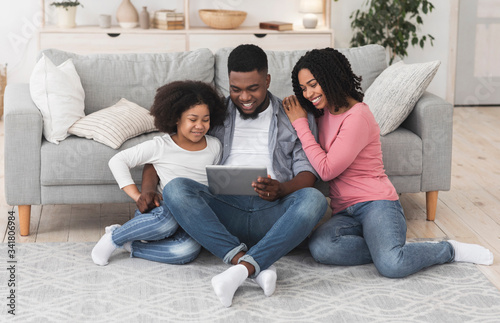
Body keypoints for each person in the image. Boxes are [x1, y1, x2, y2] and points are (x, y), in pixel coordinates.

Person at [141, 44, 328, 307]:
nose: (245, 97)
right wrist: (148, 189)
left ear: (267, 80)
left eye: (253, 88)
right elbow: (162, 151)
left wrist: (282, 189)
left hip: (272, 211)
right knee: (175, 189)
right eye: (236, 89)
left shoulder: (293, 114)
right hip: (225, 211)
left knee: (315, 199)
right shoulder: (212, 114)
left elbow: (308, 173)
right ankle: (253, 264)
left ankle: (240, 269)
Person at [283, 48, 494, 279]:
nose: (308, 93)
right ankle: (383, 248)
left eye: (313, 84)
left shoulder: (358, 116)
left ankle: (450, 250)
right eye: (303, 88)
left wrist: (300, 124)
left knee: (392, 265)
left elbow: (326, 169)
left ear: (331, 76)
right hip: (345, 211)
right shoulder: (321, 113)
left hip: (377, 204)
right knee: (321, 247)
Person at [91, 80, 226, 266]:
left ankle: (131, 246)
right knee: (167, 222)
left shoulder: (215, 146)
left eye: (206, 119)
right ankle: (114, 237)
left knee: (187, 251)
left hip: (193, 215)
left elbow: (215, 182)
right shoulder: (160, 146)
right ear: (177, 118)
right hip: (162, 211)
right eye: (193, 119)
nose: (200, 126)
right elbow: (117, 161)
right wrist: (137, 196)